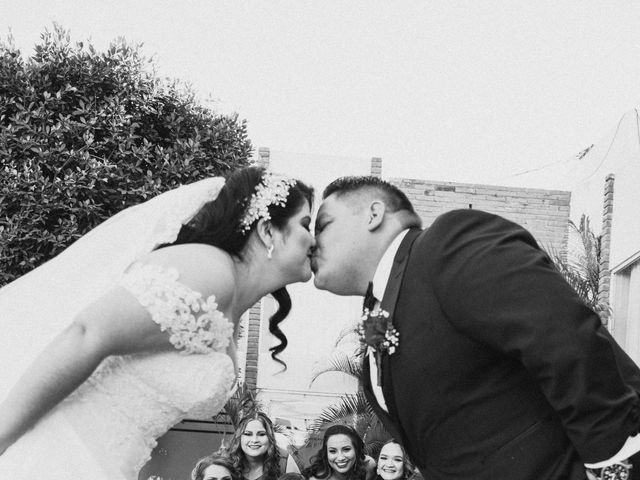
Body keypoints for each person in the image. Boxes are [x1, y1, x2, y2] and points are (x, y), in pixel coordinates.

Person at [311, 175, 640, 480]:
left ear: (374, 214)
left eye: (323, 225)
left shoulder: (447, 243)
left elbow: (565, 336)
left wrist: (613, 468)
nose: (313, 245)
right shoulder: (380, 310)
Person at [0, 166, 315, 479]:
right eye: (305, 224)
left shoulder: (230, 310)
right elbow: (86, 334)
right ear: (268, 230)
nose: (313, 240)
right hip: (57, 451)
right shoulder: (211, 270)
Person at [228, 412, 290, 480]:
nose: (254, 440)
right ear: (239, 438)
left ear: (270, 437)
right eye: (248, 434)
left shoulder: (285, 462)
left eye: (261, 434)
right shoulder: (226, 464)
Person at [303, 424, 368, 480]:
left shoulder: (369, 467)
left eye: (346, 449)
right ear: (326, 453)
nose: (340, 458)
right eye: (333, 451)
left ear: (356, 450)